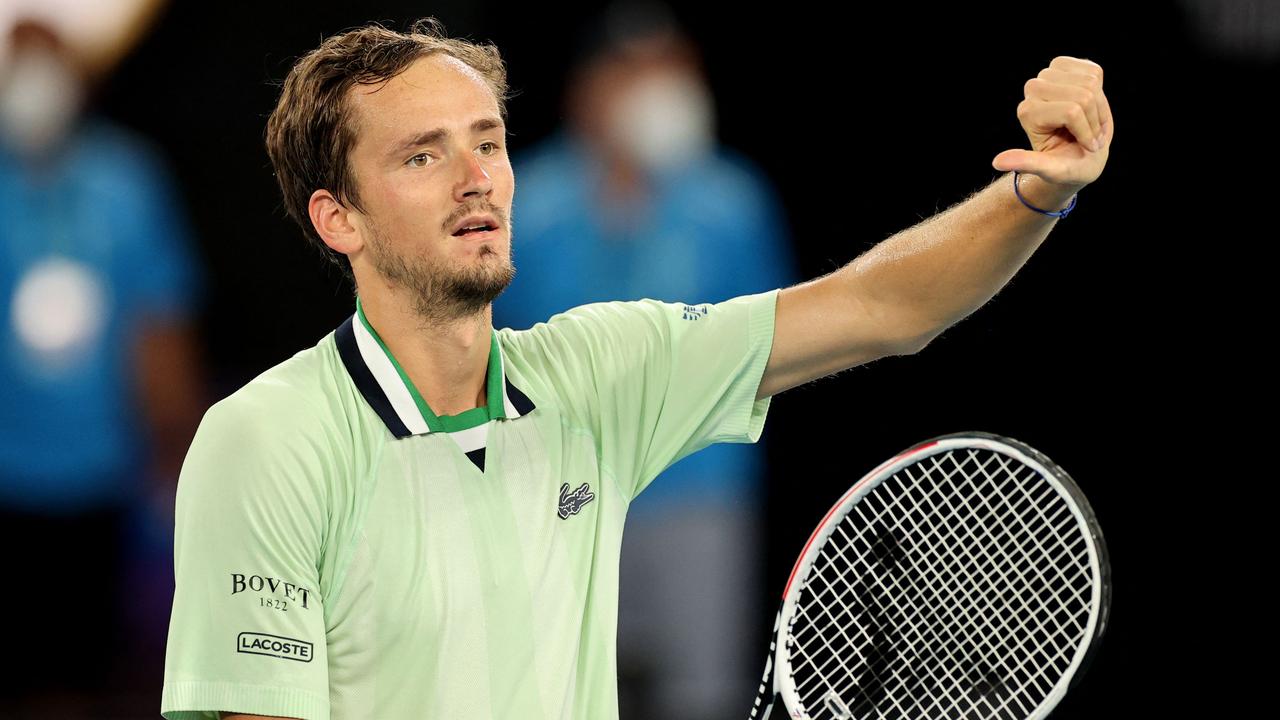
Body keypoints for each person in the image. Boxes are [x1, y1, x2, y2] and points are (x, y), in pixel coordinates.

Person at [160, 17, 1112, 720]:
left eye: (487, 142)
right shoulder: (267, 439)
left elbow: (884, 306)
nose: (476, 176)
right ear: (339, 220)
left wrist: (1032, 194)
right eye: (422, 155)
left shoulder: (600, 374)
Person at [490, 5, 798, 718]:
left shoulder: (734, 200)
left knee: (702, 696)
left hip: (699, 494)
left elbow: (780, 346)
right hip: (559, 499)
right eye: (634, 72)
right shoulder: (519, 202)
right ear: (589, 89)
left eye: (673, 69)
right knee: (566, 697)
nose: (659, 87)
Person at [0, 14, 205, 717]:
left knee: (92, 673)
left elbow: (160, 326)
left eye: (46, 63)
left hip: (101, 475)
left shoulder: (125, 182)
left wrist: (176, 454)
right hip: (6, 476)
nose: (32, 84)